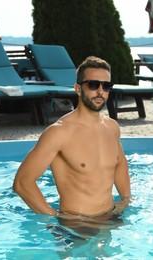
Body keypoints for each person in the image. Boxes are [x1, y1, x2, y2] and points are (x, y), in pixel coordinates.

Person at [12, 56, 131, 222]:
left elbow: (120, 163)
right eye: (93, 84)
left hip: (110, 217)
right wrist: (55, 219)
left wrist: (125, 199)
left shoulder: (112, 127)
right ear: (78, 89)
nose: (100, 91)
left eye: (106, 86)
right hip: (77, 224)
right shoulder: (60, 132)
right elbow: (22, 183)